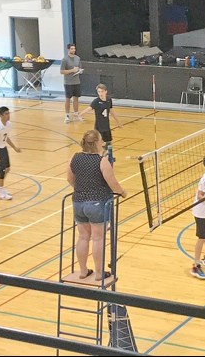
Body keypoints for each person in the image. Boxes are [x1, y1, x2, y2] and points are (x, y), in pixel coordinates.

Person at [66, 130, 127, 281]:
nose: (103, 143)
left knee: (83, 237)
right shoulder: (102, 161)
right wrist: (123, 192)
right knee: (98, 238)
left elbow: (69, 179)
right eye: (101, 141)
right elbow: (113, 184)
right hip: (97, 204)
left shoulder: (75, 158)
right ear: (96, 143)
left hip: (78, 202)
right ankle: (99, 273)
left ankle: (83, 271)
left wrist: (82, 191)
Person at [78, 83, 123, 163]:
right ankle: (98, 158)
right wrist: (80, 114)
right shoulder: (96, 101)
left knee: (109, 142)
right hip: (99, 127)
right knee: (99, 144)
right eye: (98, 92)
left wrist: (118, 121)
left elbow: (111, 110)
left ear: (106, 91)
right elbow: (89, 108)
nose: (100, 94)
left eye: (102, 91)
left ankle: (110, 157)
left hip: (106, 126)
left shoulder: (109, 100)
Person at [0, 106, 21, 200]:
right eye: (6, 114)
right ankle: (1, 193)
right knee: (1, 171)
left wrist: (14, 147)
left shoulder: (8, 124)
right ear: (1, 115)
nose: (8, 115)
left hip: (3, 148)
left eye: (9, 113)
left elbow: (5, 137)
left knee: (7, 168)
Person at [60, 43, 83, 123]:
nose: (73, 50)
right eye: (72, 49)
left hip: (76, 81)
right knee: (68, 99)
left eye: (74, 49)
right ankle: (67, 115)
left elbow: (79, 67)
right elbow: (62, 71)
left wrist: (79, 71)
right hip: (68, 82)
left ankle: (76, 114)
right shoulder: (65, 59)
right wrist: (71, 70)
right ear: (68, 50)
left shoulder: (78, 58)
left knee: (76, 98)